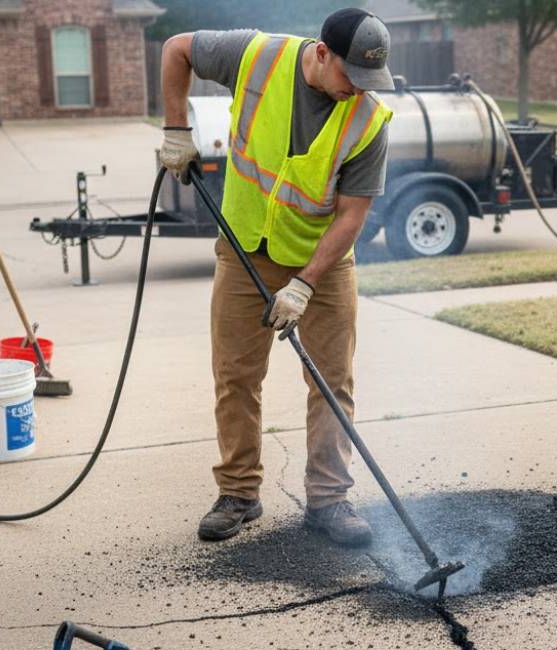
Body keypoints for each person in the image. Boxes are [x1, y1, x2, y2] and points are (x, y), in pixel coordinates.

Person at [157, 8, 394, 545]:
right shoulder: (258, 54)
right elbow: (176, 48)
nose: (357, 90)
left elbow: (352, 215)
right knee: (236, 375)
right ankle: (239, 493)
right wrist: (176, 128)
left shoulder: (368, 120)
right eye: (350, 77)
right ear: (321, 53)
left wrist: (306, 282)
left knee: (331, 382)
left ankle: (329, 501)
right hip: (244, 247)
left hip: (323, 262)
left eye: (367, 81)